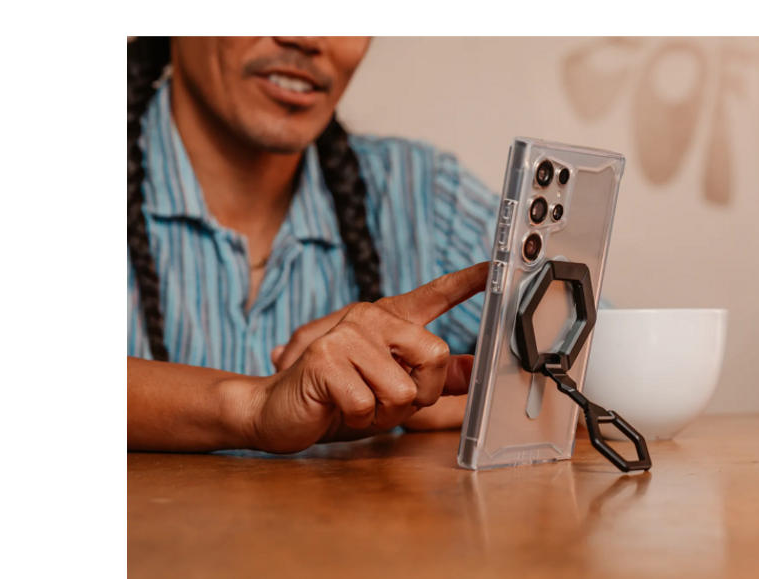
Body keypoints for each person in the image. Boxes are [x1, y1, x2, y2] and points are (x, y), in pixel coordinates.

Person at [127, 35, 499, 454]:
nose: (305, 38)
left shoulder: (426, 197)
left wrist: (485, 400)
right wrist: (254, 406)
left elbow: (562, 352)